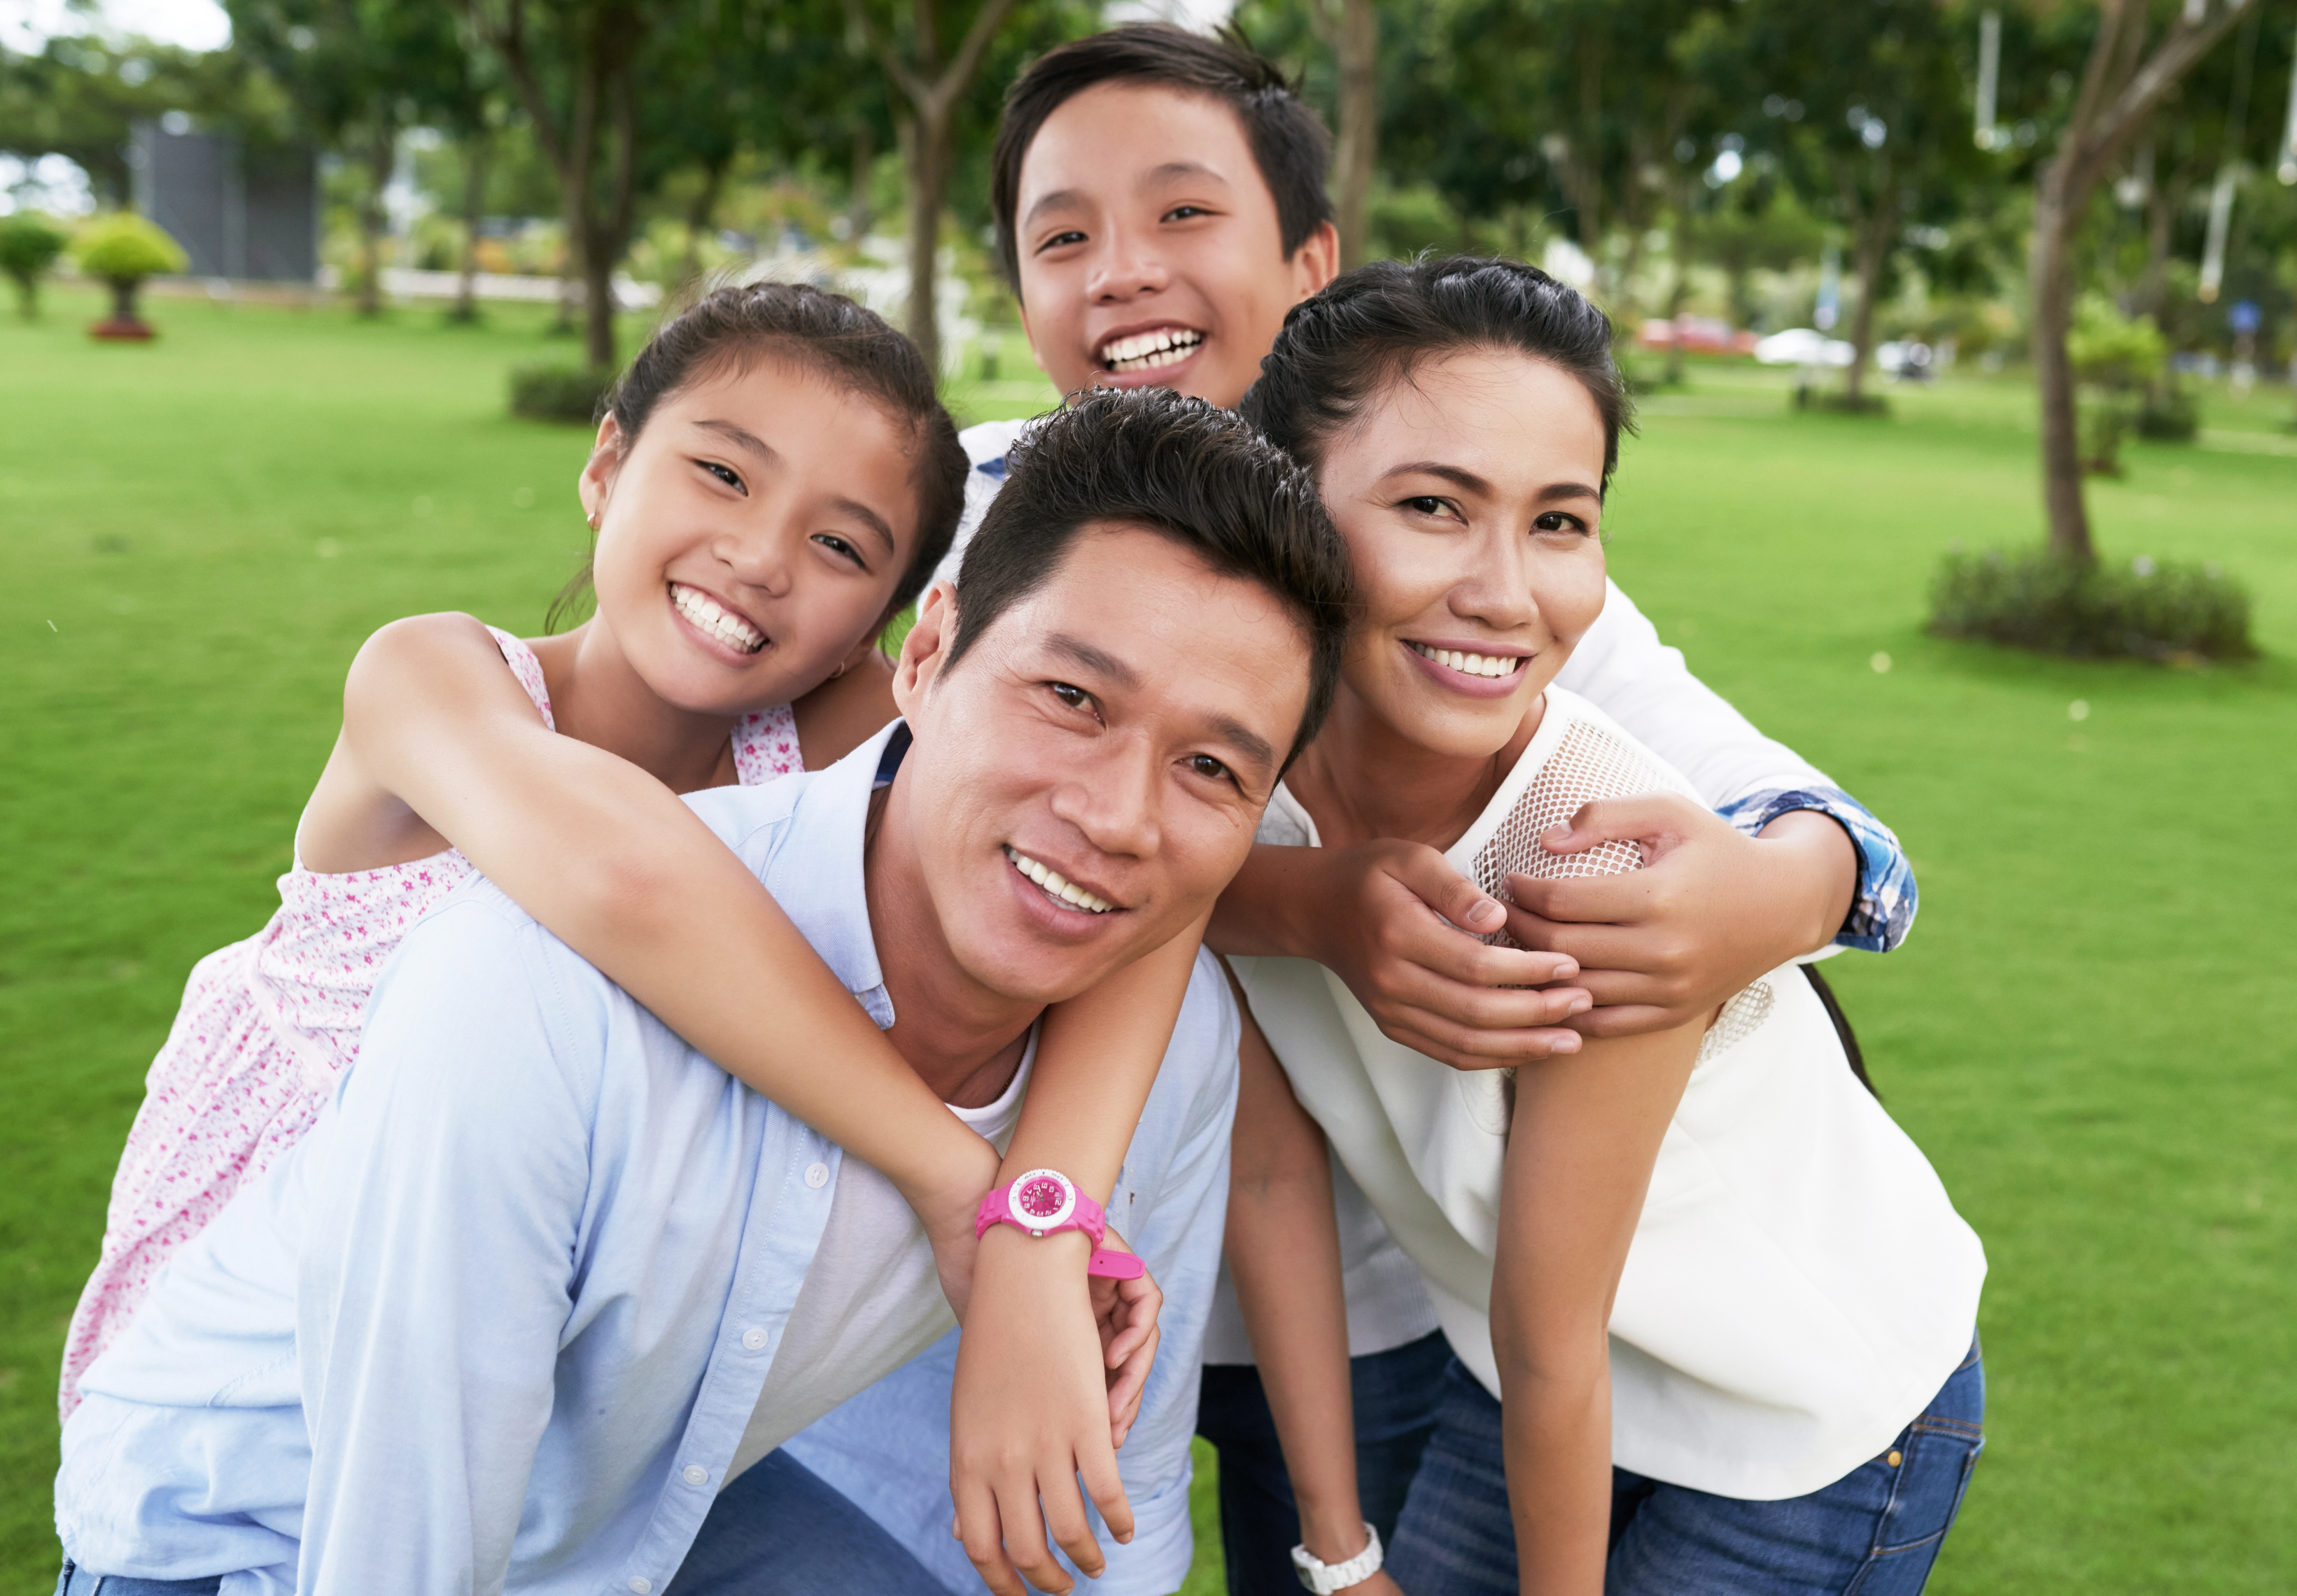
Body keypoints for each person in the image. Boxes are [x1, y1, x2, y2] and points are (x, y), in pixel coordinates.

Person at [51, 391, 1356, 1596]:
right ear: (929, 654)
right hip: (258, 1527)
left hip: (638, 1500)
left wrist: (1034, 1216)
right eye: (1071, 696)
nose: (1118, 818)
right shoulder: (537, 993)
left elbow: (1110, 1517)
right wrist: (987, 1199)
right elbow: (398, 1546)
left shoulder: (1156, 1039)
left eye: (1210, 769)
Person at [961, 22, 1921, 1589]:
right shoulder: (1000, 543)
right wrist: (1302, 906)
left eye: (1185, 212)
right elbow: (881, 796)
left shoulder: (1501, 636)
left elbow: (1787, 812)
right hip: (1318, 1301)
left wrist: (1761, 903)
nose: (1124, 270)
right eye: (1064, 233)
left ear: (1305, 262)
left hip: (1666, 1366)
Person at [1221, 257, 1986, 1596]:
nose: (1506, 592)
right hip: (1527, 1369)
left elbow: (1554, 1332)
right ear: (1286, 505)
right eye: (1433, 507)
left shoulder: (1598, 850)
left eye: (1560, 521)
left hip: (1802, 1407)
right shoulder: (1228, 782)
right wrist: (1339, 1559)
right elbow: (1272, 1176)